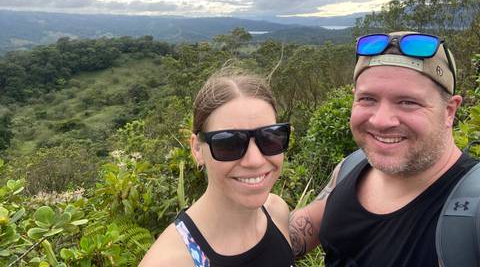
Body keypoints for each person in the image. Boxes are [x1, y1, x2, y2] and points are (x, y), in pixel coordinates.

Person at [289, 31, 478, 266]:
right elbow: (304, 227)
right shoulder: (352, 165)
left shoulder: (473, 210)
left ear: (449, 111)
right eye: (367, 99)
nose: (381, 121)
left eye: (408, 102)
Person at [140, 70, 295, 266]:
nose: (254, 160)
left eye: (270, 137)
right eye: (229, 143)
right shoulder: (173, 261)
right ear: (197, 149)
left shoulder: (276, 211)